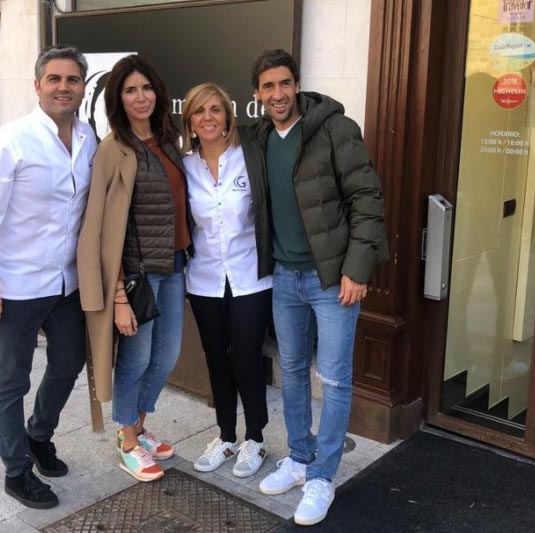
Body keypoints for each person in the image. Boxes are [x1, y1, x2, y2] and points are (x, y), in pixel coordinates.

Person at [251, 49, 388, 526]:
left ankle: (323, 476)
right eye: (268, 87)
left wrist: (358, 268)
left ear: (297, 85)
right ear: (258, 95)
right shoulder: (262, 136)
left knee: (332, 378)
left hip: (332, 279)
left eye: (284, 83)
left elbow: (367, 198)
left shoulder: (334, 128)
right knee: (289, 370)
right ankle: (300, 457)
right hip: (283, 277)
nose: (277, 94)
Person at [0, 44, 96, 509]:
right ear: (37, 86)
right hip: (15, 285)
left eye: (72, 79)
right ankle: (16, 470)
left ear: (82, 87)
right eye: (54, 79)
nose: (63, 87)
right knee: (11, 379)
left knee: (69, 363)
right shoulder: (9, 141)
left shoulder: (88, 138)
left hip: (66, 284)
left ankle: (39, 435)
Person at [77, 55, 191, 483]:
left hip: (174, 267)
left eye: (146, 88)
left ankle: (139, 425)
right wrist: (118, 295)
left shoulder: (168, 139)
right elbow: (101, 226)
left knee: (167, 357)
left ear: (157, 93)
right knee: (137, 359)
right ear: (118, 99)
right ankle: (127, 441)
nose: (140, 97)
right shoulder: (114, 149)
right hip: (138, 277)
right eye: (130, 90)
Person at [180, 83, 273, 478]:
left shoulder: (248, 158)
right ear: (190, 122)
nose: (208, 118)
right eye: (200, 112)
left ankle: (256, 439)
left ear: (228, 115)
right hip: (204, 280)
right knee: (217, 360)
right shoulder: (185, 166)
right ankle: (226, 436)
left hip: (250, 279)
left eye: (216, 109)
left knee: (248, 361)